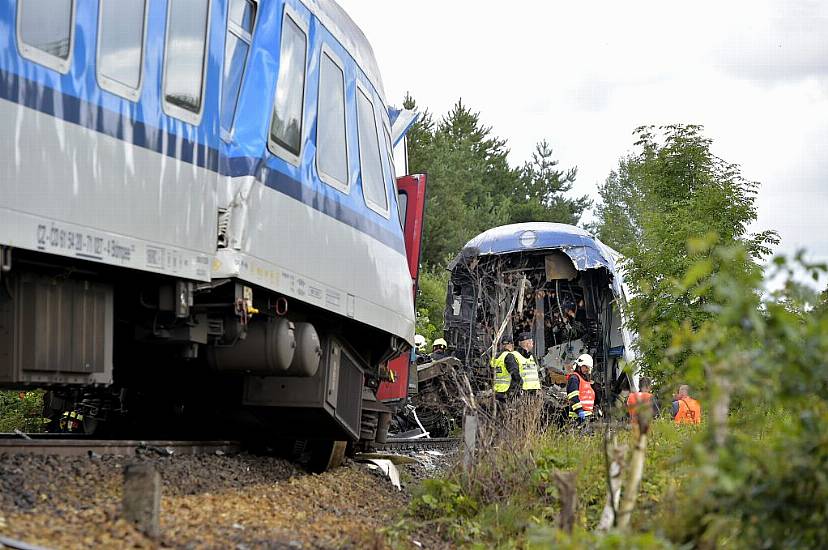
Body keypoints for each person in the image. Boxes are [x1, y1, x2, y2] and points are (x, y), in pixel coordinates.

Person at [491, 334, 523, 400]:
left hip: (497, 390)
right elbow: (514, 372)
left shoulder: (495, 358)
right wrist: (520, 382)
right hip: (508, 391)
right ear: (511, 344)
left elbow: (490, 373)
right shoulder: (509, 356)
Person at [567, 354, 596, 424]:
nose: (587, 370)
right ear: (580, 365)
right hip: (577, 416)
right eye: (586, 367)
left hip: (586, 415)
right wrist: (579, 410)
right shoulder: (574, 378)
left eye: (588, 368)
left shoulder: (584, 380)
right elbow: (573, 397)